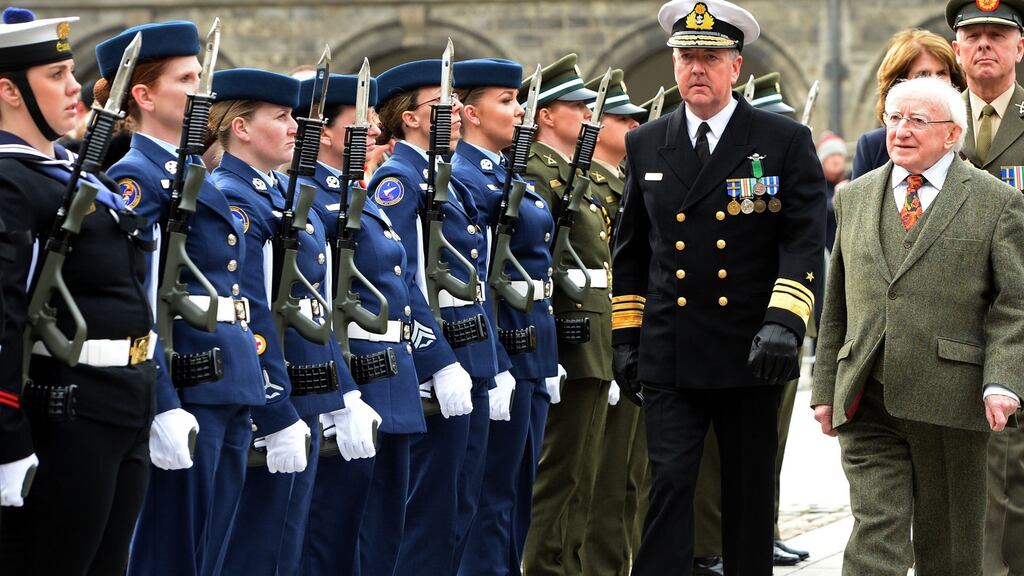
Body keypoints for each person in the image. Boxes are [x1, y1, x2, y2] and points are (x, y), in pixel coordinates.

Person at [611, 1, 826, 574]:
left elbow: (803, 239)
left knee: (748, 499)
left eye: (710, 57)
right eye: (686, 57)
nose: (696, 69)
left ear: (736, 67)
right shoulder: (647, 143)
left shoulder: (781, 140)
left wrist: (785, 321)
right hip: (671, 351)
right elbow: (631, 250)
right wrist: (626, 338)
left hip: (751, 348)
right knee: (670, 487)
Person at [813, 75, 1024, 575]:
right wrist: (825, 387)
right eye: (894, 118)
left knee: (950, 548)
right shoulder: (855, 197)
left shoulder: (997, 203)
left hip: (951, 399)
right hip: (868, 399)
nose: (901, 131)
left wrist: (1003, 381)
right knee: (875, 537)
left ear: (952, 135)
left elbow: (1012, 304)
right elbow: (838, 303)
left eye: (917, 121)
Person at [95, 22, 268, 576]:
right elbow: (138, 296)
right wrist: (162, 403)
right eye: (188, 78)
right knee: (171, 555)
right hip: (189, 384)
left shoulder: (196, 172)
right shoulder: (137, 177)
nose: (204, 90)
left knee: (210, 551)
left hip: (228, 379)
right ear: (143, 95)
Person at [0, 8, 158, 574]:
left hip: (122, 406)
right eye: (56, 76)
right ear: (8, 91)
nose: (75, 89)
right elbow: (4, 317)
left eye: (71, 72)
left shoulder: (70, 172)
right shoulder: (10, 181)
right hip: (62, 418)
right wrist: (7, 440)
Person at [200, 68, 356, 575]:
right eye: (282, 116)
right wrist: (274, 409)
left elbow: (316, 306)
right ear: (241, 128)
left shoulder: (280, 194)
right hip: (270, 402)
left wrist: (343, 393)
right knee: (256, 552)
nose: (296, 127)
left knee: (284, 549)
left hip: (303, 393)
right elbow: (250, 312)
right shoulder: (234, 197)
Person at [296, 73, 435, 576]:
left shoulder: (360, 196)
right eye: (362, 119)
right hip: (352, 380)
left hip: (388, 378)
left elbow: (402, 284)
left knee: (380, 539)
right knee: (332, 541)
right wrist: (339, 394)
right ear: (326, 132)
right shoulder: (308, 198)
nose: (375, 129)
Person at [369, 58, 492, 576]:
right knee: (430, 514)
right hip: (433, 363)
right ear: (412, 118)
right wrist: (436, 362)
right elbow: (400, 280)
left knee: (460, 503)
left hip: (468, 354)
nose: (456, 113)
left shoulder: (442, 178)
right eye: (440, 106)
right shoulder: (400, 180)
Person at [450, 58, 561, 576]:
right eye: (505, 101)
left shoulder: (509, 172)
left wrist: (549, 354)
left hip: (531, 349)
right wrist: (494, 361)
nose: (520, 111)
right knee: (490, 494)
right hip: (500, 351)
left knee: (518, 492)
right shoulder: (462, 180)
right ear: (470, 113)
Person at [521, 53, 615, 576]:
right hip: (566, 332)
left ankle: (569, 564)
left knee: (583, 471)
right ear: (547, 116)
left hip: (592, 331)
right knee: (558, 471)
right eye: (574, 106)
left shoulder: (569, 173)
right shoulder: (536, 171)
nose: (586, 114)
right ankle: (544, 566)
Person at [948, 2, 1024, 573]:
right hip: (953, 316)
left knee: (1011, 471)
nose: (984, 46)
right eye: (972, 35)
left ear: (1019, 48)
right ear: (956, 49)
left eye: (997, 35)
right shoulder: (932, 121)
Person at [576, 67, 647, 576]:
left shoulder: (621, 182)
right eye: (623, 119)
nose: (635, 126)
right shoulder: (586, 185)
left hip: (625, 335)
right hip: (597, 339)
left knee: (628, 475)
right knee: (593, 477)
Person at [851, 28, 966, 179]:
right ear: (898, 83)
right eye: (922, 75)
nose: (934, 82)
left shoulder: (963, 136)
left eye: (942, 73)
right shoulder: (874, 146)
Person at [817, 132, 847, 253]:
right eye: (831, 155)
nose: (836, 159)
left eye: (839, 154)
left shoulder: (853, 180)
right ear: (822, 160)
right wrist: (835, 202)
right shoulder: (816, 185)